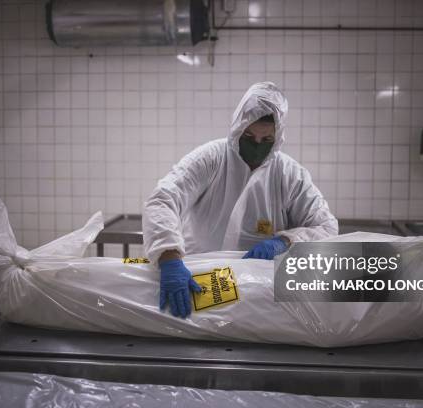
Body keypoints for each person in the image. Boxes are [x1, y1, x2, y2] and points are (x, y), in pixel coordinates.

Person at [143, 82, 338, 318]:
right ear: (237, 128)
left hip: (258, 294)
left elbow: (326, 227)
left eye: (266, 139)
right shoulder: (211, 159)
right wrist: (169, 258)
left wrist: (286, 241)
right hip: (195, 282)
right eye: (249, 136)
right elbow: (163, 200)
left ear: (277, 137)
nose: (256, 145)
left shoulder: (288, 174)